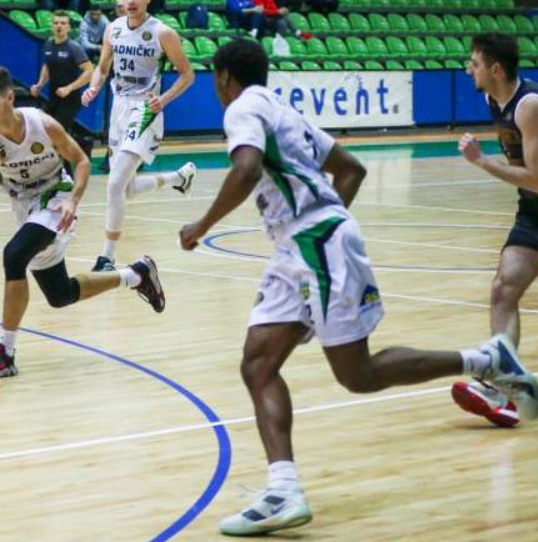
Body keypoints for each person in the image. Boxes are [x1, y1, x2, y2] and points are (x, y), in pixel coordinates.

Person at [177, 38, 537, 535]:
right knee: (261, 363)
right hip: (303, 247)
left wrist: (201, 225)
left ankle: (486, 360)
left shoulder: (242, 108)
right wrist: (322, 226)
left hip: (313, 244)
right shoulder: (283, 110)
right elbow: (352, 169)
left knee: (355, 374)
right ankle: (283, 490)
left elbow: (246, 169)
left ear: (222, 77)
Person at [0, 66, 165, 378]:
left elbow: (81, 161)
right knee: (60, 295)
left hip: (57, 197)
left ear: (9, 98)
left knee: (14, 255)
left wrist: (73, 200)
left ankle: (4, 353)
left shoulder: (43, 124)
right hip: (25, 207)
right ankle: (136, 274)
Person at [82, 0, 197, 273]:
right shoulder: (113, 28)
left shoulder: (163, 32)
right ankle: (177, 179)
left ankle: (107, 258)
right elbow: (102, 67)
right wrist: (93, 87)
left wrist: (164, 99)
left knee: (114, 184)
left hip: (145, 109)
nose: (130, 1)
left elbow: (187, 74)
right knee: (127, 189)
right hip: (119, 108)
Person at [453, 33, 538, 428]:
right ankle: (502, 390)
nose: (469, 69)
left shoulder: (529, 106)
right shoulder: (493, 99)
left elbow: (536, 178)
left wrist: (481, 161)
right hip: (532, 212)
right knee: (504, 289)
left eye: (475, 63)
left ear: (496, 69)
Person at [31, 11, 94, 155]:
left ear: (68, 27)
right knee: (49, 130)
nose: (59, 26)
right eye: (56, 23)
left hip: (70, 98)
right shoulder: (48, 44)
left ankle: (68, 164)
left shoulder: (74, 47)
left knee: (58, 132)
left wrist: (69, 88)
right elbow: (47, 66)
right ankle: (84, 143)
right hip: (53, 96)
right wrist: (40, 84)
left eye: (63, 23)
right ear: (52, 26)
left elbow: (89, 71)